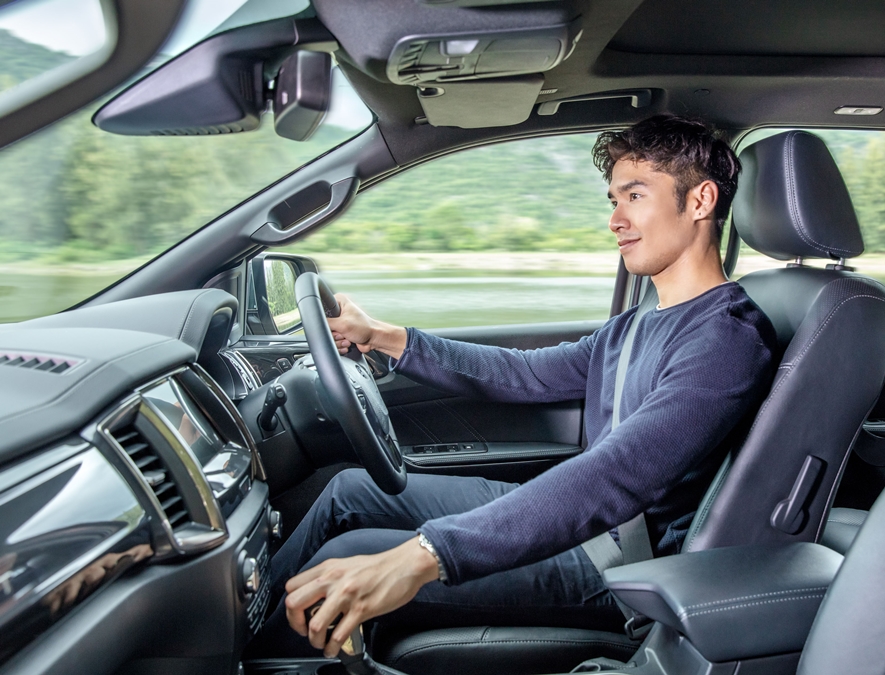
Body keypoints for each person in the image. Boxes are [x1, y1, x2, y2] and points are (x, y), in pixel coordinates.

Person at [249, 114, 778, 659]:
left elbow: (616, 473)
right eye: (613, 200)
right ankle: (245, 641)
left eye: (635, 196)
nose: (615, 220)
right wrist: (381, 336)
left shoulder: (726, 340)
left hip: (620, 562)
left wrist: (425, 555)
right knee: (349, 491)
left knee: (354, 554)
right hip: (593, 527)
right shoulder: (637, 322)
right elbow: (523, 373)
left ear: (700, 201)